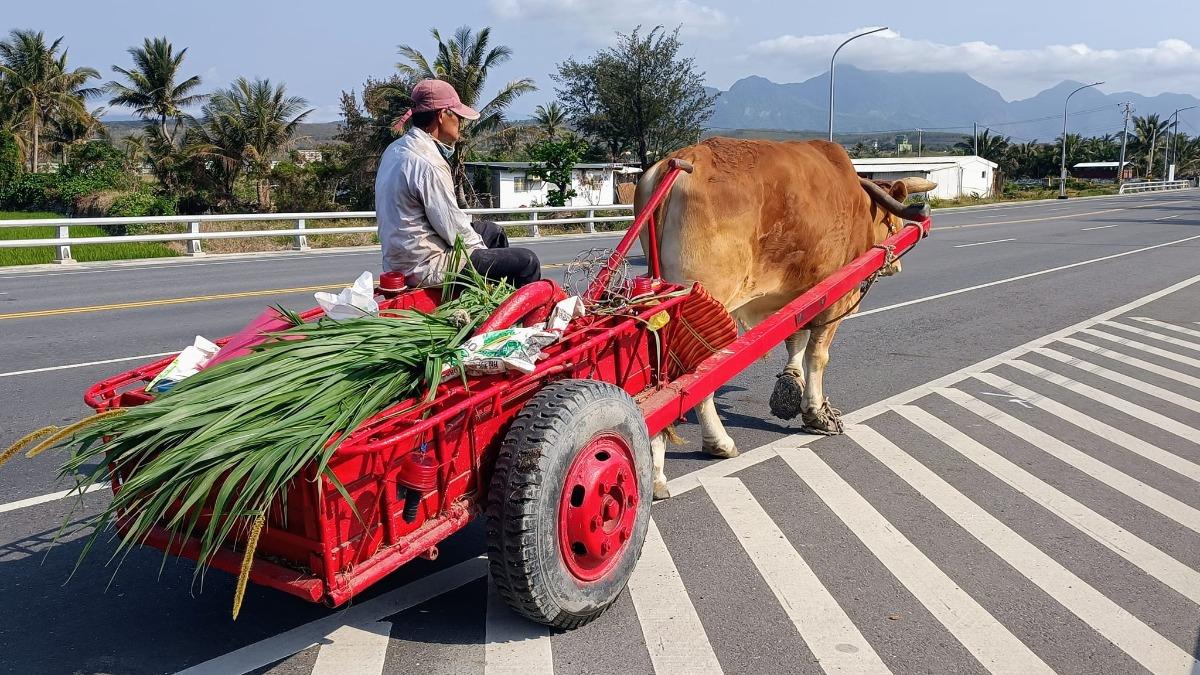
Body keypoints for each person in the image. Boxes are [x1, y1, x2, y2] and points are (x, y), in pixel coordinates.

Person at [375, 79, 542, 288]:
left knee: (492, 232)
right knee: (527, 262)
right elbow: (453, 228)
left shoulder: (395, 150)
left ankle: (494, 302)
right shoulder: (429, 162)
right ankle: (516, 319)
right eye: (458, 116)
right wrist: (483, 255)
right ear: (442, 115)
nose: (461, 123)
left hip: (401, 257)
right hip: (427, 266)